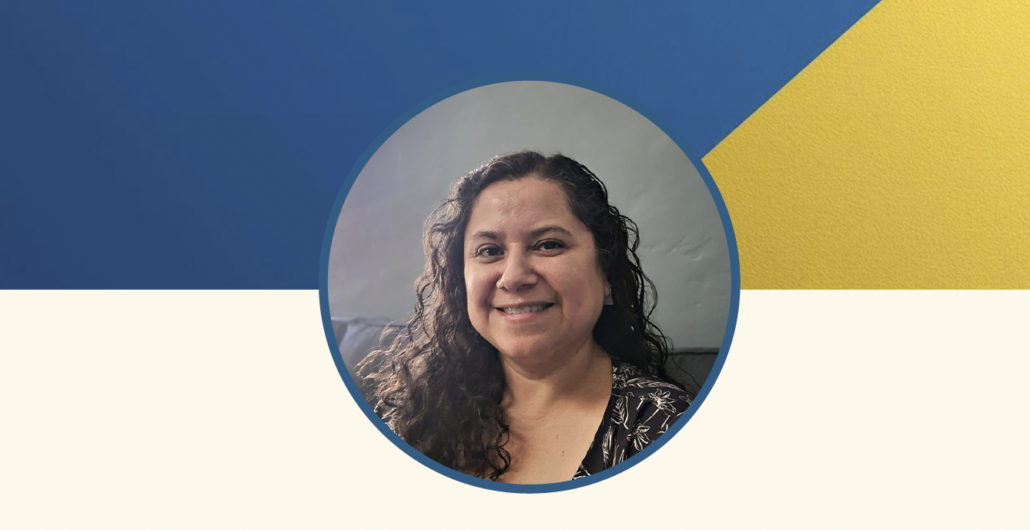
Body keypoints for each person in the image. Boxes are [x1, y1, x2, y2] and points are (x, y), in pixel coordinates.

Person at [360, 150, 691, 484]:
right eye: (490, 251)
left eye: (548, 245)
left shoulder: (662, 425)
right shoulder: (415, 411)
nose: (514, 276)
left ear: (606, 274)